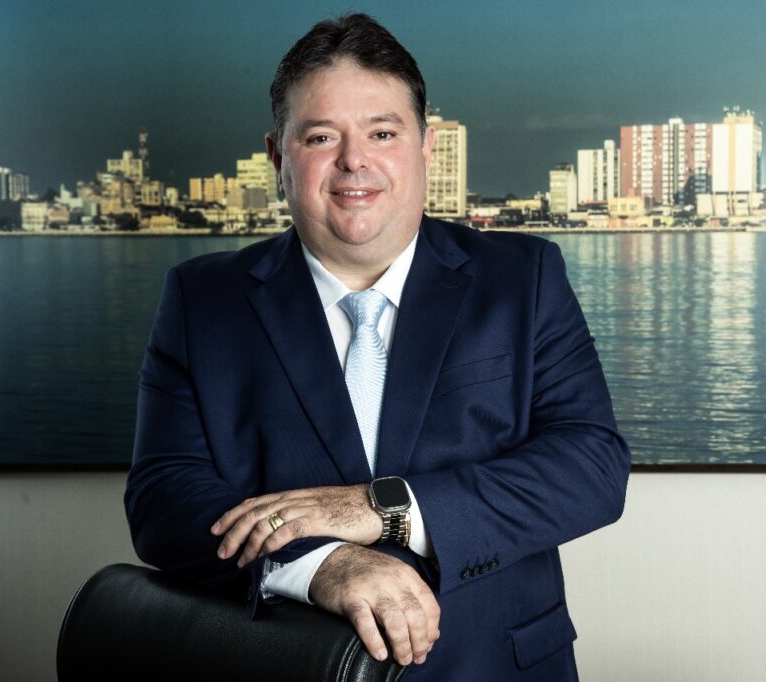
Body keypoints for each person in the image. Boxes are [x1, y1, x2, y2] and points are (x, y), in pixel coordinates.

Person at [125, 13, 629, 681]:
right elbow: (163, 499)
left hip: (495, 666)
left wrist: (378, 508)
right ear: (278, 157)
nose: (353, 160)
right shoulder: (202, 300)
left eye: (383, 133)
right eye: (321, 137)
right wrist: (318, 563)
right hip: (293, 668)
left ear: (425, 147)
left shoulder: (523, 278)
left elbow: (590, 468)